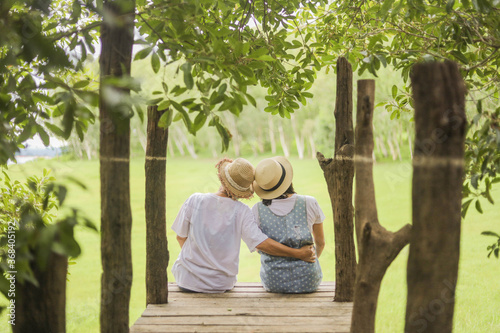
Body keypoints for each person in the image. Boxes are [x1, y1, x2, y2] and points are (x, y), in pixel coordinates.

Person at [171, 157, 316, 293]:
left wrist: (198, 262)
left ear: (222, 178)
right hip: (220, 285)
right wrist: (298, 253)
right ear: (242, 192)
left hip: (186, 280)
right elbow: (261, 244)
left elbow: (180, 237)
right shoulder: (242, 211)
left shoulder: (194, 200)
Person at [252, 156, 325, 293]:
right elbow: (320, 243)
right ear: (287, 180)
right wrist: (306, 259)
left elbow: (260, 249)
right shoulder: (309, 202)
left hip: (273, 282)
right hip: (308, 281)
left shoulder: (257, 210)